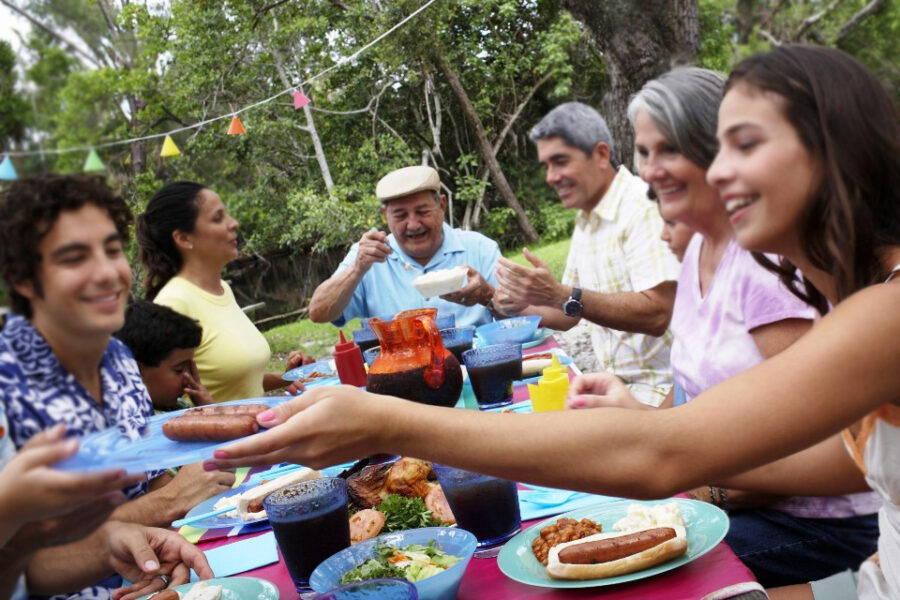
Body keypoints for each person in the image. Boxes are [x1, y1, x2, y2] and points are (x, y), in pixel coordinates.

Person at [207, 45, 900, 600]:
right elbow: (694, 439)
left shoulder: (884, 313)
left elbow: (667, 453)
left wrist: (386, 422)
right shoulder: (848, 296)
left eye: (742, 146)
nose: (715, 176)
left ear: (830, 146)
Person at [617, 65, 876, 587]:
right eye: (644, 152)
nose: (649, 171)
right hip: (737, 493)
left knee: (652, 578)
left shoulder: (770, 265)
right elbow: (689, 402)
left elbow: (831, 441)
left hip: (820, 517)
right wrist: (643, 422)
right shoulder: (698, 252)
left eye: (669, 149)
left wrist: (694, 478)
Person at [0, 175, 233, 600]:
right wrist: (170, 503)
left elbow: (146, 481)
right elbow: (22, 559)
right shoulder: (7, 391)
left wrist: (153, 539)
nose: (108, 273)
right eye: (74, 258)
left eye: (112, 250)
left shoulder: (119, 360)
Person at [494, 103, 680, 406]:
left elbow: (658, 313)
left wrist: (564, 295)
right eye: (546, 166)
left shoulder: (640, 208)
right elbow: (568, 315)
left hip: (665, 393)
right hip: (616, 387)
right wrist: (506, 300)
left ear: (602, 155)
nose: (551, 177)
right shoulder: (587, 218)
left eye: (560, 161)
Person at [137, 181, 312, 402]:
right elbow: (166, 400)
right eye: (217, 218)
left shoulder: (223, 290)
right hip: (228, 435)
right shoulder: (174, 304)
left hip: (260, 426)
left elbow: (234, 381)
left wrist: (289, 377)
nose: (233, 223)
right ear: (184, 238)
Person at [307, 165, 502, 329]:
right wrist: (357, 270)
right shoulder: (367, 256)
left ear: (442, 205)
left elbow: (521, 319)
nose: (414, 224)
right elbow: (318, 312)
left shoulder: (480, 248)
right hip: (396, 368)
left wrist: (487, 295)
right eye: (400, 215)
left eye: (422, 211)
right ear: (385, 215)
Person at [114, 301, 213, 411]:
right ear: (136, 371)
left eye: (190, 367)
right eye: (179, 370)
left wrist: (208, 407)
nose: (188, 379)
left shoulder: (177, 406)